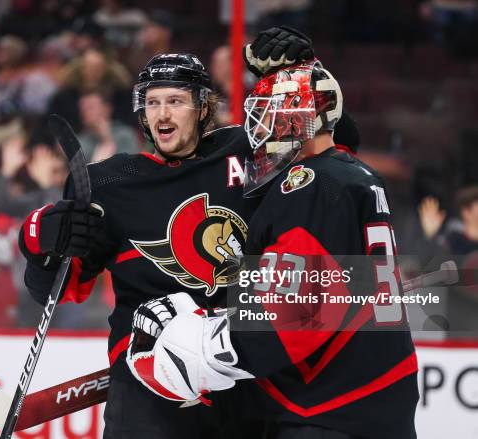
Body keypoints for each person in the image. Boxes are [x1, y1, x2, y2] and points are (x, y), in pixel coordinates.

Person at [18, 27, 320, 437]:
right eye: (153, 103)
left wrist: (304, 74)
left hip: (243, 376)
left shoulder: (247, 151)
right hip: (148, 391)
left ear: (202, 108)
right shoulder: (108, 182)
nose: (162, 114)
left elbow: (329, 143)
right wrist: (40, 244)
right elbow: (56, 290)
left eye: (176, 101)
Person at [127, 57, 419, 438]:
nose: (259, 132)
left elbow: (292, 317)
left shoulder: (308, 182)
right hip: (379, 389)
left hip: (328, 406)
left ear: (303, 118)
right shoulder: (354, 174)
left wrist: (196, 347)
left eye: (270, 115)